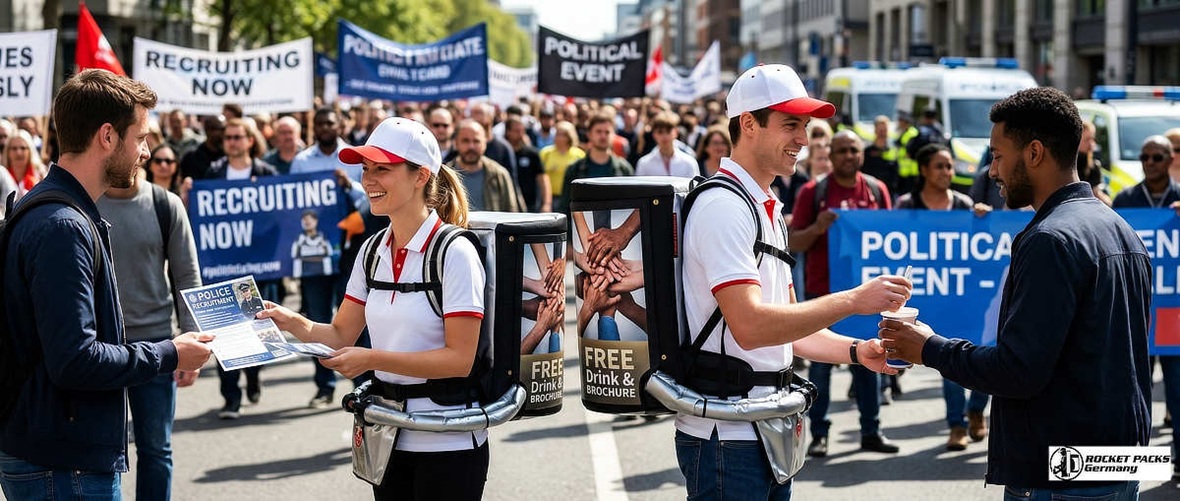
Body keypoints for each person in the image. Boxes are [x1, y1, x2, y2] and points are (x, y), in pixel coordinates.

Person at [880, 86, 1153, 498]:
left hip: (1061, 473)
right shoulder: (1121, 229)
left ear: (1035, 153)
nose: (992, 171)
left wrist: (928, 348)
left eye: (998, 155)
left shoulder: (1050, 239)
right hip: (1120, 464)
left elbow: (1018, 371)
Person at [674, 63, 911, 500]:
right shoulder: (725, 207)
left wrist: (858, 352)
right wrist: (853, 300)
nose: (803, 139)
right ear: (749, 124)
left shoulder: (763, 205)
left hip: (762, 426)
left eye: (804, 126)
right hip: (727, 436)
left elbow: (791, 328)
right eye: (790, 125)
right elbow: (751, 326)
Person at [0, 68, 213, 500]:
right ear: (107, 137)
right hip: (62, 463)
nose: (146, 152)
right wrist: (169, 353)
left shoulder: (58, 211)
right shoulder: (62, 225)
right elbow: (75, 359)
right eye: (140, 138)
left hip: (54, 451)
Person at [257, 117, 491, 500]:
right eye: (365, 169)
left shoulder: (455, 253)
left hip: (448, 441)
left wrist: (371, 358)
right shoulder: (371, 250)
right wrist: (288, 320)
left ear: (421, 176)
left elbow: (459, 360)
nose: (368, 180)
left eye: (382, 169)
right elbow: (339, 335)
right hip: (388, 436)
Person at [790, 130, 899, 458]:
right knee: (821, 367)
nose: (849, 156)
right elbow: (794, 242)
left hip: (866, 295)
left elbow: (891, 237)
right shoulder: (814, 192)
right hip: (823, 292)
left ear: (861, 154)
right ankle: (819, 434)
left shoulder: (877, 190)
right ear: (831, 155)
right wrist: (818, 228)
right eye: (842, 151)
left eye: (854, 150)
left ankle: (871, 431)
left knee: (868, 361)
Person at [97, 165, 201, 500]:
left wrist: (190, 339)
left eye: (144, 144)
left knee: (156, 449)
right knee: (98, 450)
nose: (141, 152)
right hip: (100, 346)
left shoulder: (165, 204)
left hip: (157, 343)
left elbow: (187, 276)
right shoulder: (87, 202)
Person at [894, 143, 989, 450]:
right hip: (930, 296)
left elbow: (982, 248)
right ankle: (957, 424)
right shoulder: (907, 206)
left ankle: (977, 410)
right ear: (924, 170)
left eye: (949, 166)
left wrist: (983, 220)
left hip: (965, 296)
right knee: (949, 358)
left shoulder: (964, 205)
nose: (947, 172)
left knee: (984, 350)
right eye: (940, 166)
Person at [558, 114, 634, 213]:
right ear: (589, 134)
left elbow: (632, 208)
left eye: (607, 132)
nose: (603, 136)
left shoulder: (624, 169)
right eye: (598, 131)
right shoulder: (574, 169)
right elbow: (565, 207)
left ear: (613, 135)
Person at [447, 119, 523, 212]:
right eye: (465, 141)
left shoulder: (498, 175)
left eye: (476, 141)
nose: (471, 146)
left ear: (485, 143)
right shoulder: (446, 176)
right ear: (456, 143)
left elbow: (512, 212)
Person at [504, 116, 551, 212]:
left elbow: (543, 179)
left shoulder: (532, 154)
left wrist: (546, 204)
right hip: (506, 206)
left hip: (530, 206)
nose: (520, 134)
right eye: (516, 131)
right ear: (508, 132)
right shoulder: (501, 154)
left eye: (522, 130)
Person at [634, 112, 698, 178]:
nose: (664, 136)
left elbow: (696, 184)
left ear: (676, 132)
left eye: (668, 131)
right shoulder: (644, 163)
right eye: (660, 132)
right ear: (654, 134)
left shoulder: (689, 162)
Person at [540, 121, 585, 211]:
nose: (559, 138)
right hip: (550, 198)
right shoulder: (545, 153)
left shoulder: (579, 154)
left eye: (563, 135)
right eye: (557, 134)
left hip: (571, 197)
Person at [862, 115, 900, 195]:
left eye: (885, 130)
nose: (883, 133)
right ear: (875, 130)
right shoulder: (867, 151)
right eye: (880, 130)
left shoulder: (893, 150)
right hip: (870, 190)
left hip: (889, 191)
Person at [178, 115, 225, 180]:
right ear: (208, 130)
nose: (223, 133)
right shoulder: (191, 158)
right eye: (221, 129)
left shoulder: (229, 157)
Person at [5, 130, 46, 201]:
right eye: (14, 148)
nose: (18, 152)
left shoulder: (41, 174)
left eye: (23, 148)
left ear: (30, 151)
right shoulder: (2, 174)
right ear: (7, 152)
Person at [1077, 120, 1111, 205]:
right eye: (1087, 140)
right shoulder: (1067, 166)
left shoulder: (1094, 167)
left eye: (1092, 139)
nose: (1092, 144)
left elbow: (1099, 195)